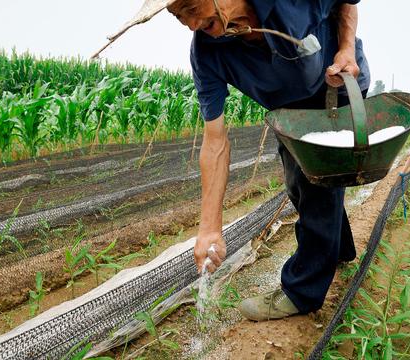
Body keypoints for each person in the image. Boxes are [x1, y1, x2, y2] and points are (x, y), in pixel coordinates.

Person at [128, 0, 370, 321]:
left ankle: (302, 293)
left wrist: (346, 49)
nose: (190, 24)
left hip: (335, 88)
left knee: (317, 183)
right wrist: (210, 227)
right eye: (178, 16)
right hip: (288, 110)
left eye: (191, 7)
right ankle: (338, 248)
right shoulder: (207, 52)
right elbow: (215, 141)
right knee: (298, 184)